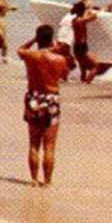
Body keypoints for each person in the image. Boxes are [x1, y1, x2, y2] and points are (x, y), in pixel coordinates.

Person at [18, 24, 73, 187]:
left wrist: (35, 39)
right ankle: (47, 182)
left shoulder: (30, 55)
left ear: (38, 38)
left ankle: (34, 180)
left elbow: (20, 49)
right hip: (51, 98)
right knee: (49, 145)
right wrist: (57, 50)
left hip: (33, 96)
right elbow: (65, 75)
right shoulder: (59, 59)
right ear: (51, 39)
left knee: (33, 143)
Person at [69, 0, 99, 83]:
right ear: (83, 10)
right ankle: (87, 85)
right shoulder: (81, 21)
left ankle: (82, 86)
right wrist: (104, 9)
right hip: (82, 47)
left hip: (77, 47)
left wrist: (89, 7)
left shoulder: (75, 20)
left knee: (83, 69)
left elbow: (86, 15)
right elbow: (95, 16)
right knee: (95, 66)